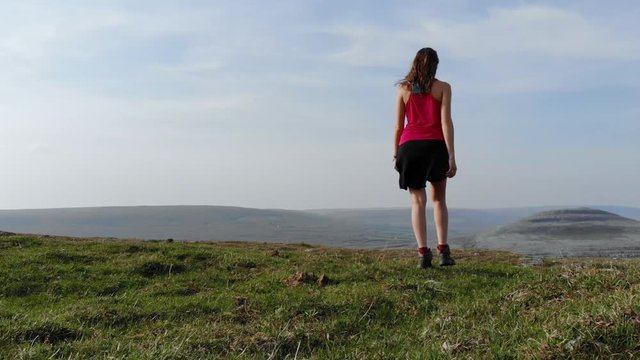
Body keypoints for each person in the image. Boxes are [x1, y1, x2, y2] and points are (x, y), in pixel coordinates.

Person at [394, 47, 457, 268]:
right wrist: (451, 155)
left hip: (409, 147)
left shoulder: (404, 89)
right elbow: (445, 122)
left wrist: (396, 153)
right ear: (435, 66)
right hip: (435, 146)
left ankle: (423, 255)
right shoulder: (443, 88)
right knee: (439, 200)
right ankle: (443, 252)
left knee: (417, 201)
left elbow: (398, 126)